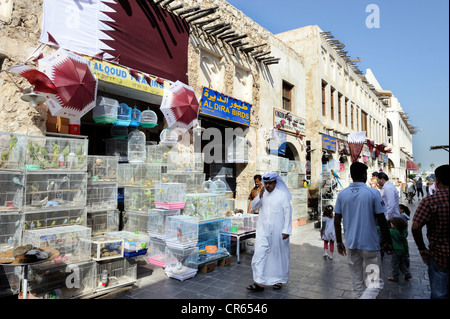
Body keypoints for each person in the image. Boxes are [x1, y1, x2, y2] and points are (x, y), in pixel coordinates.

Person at [334, 161, 393, 299]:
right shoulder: (373, 193)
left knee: (357, 282)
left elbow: (337, 220)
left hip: (351, 245)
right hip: (370, 246)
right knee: (374, 283)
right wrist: (388, 240)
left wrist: (338, 242)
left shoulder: (342, 194)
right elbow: (382, 220)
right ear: (363, 175)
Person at [247, 172, 292, 291]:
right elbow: (254, 207)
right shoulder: (263, 194)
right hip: (262, 230)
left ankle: (278, 280)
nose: (267, 186)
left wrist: (286, 230)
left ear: (275, 183)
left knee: (277, 256)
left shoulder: (282, 195)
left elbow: (288, 213)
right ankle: (259, 282)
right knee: (259, 254)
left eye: (270, 183)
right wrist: (259, 196)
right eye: (265, 183)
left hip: (279, 231)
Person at [412, 164, 449, 299]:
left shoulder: (430, 202)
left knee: (440, 294)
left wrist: (422, 249)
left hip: (439, 256)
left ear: (437, 181)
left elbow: (415, 227)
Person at [388, 217, 412, 282]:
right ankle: (407, 274)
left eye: (391, 223)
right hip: (402, 251)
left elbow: (384, 230)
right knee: (401, 264)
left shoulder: (393, 231)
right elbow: (405, 243)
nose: (390, 224)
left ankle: (395, 277)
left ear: (395, 225)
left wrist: (377, 227)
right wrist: (406, 252)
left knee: (394, 264)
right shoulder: (402, 233)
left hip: (396, 250)